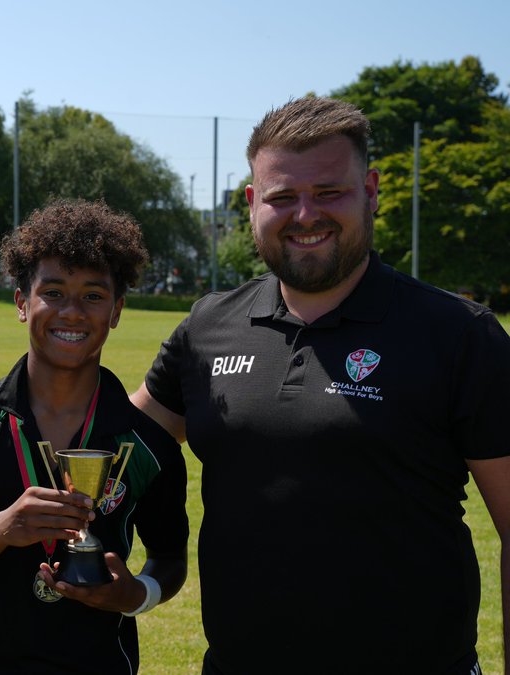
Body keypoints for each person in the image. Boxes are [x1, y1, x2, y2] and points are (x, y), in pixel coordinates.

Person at [131, 96, 510, 674]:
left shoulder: (459, 334)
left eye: (329, 192)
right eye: (282, 197)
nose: (305, 214)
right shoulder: (209, 325)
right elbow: (119, 448)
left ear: (372, 190)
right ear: (253, 203)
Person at [0, 199, 189, 674]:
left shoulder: (149, 445)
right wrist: (3, 529)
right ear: (22, 302)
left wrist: (136, 593)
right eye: (54, 292)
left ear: (118, 310)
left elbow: (170, 558)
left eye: (94, 296)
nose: (73, 312)